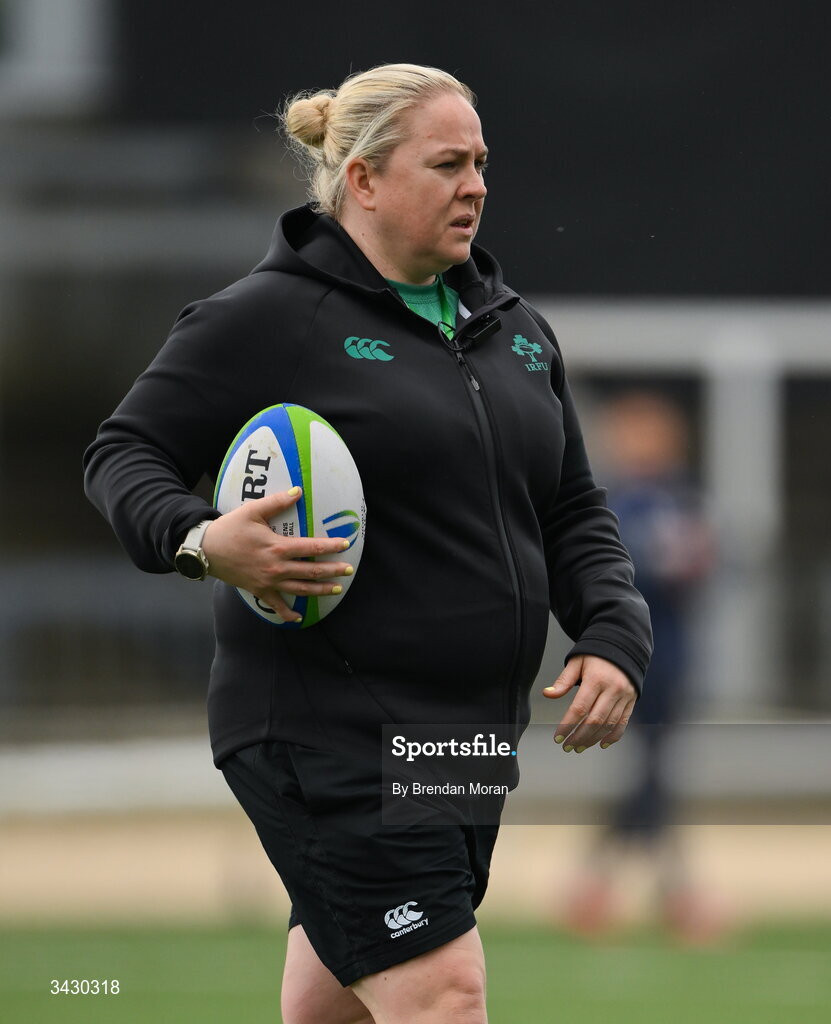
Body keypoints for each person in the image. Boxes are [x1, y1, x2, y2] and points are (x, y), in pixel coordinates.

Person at [84, 64, 651, 1024]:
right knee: (441, 992)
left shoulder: (515, 334)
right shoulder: (268, 318)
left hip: (466, 732)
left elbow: (570, 508)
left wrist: (611, 629)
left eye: (479, 163)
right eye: (446, 164)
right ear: (364, 180)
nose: (474, 184)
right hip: (325, 726)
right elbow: (123, 454)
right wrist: (200, 539)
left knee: (334, 1004)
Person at [563, 390, 719, 943]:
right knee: (649, 777)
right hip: (629, 658)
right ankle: (672, 892)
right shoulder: (610, 501)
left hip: (671, 659)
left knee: (649, 774)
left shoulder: (680, 496)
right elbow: (616, 573)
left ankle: (599, 886)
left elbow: (704, 567)